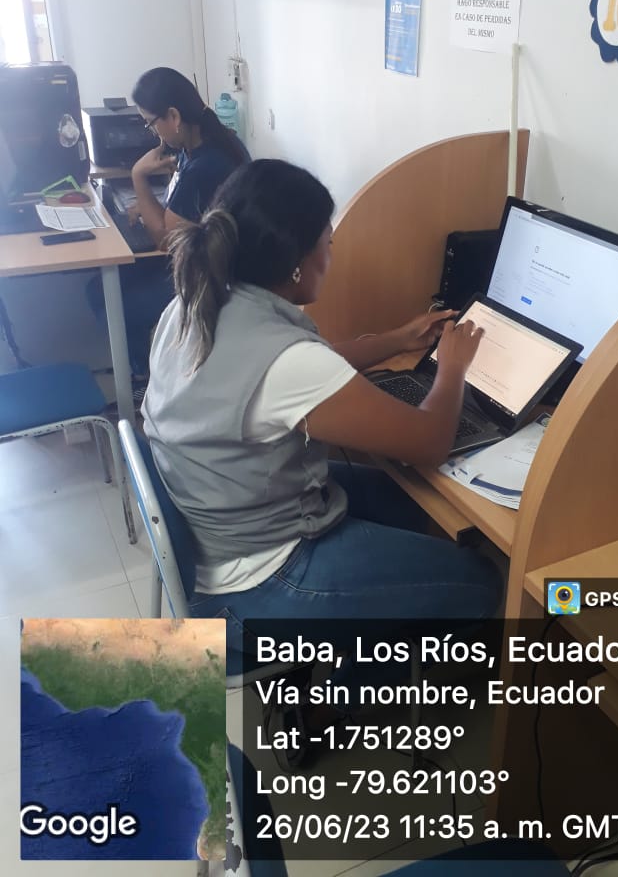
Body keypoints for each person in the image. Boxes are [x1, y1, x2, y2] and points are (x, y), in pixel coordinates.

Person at [141, 159, 503, 732]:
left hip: (220, 531)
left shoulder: (199, 300)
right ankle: (339, 701)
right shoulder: (285, 359)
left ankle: (365, 644)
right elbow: (430, 441)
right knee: (483, 582)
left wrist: (397, 339)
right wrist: (454, 367)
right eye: (328, 245)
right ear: (296, 263)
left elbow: (306, 368)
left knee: (406, 503)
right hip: (256, 583)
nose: (331, 256)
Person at [89, 67, 249, 389]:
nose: (153, 134)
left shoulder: (205, 165)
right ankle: (144, 373)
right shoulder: (205, 146)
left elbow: (165, 240)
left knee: (115, 304)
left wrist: (138, 177)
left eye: (150, 123)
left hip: (206, 277)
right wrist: (150, 206)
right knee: (97, 289)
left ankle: (145, 382)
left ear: (173, 116)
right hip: (202, 261)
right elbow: (183, 210)